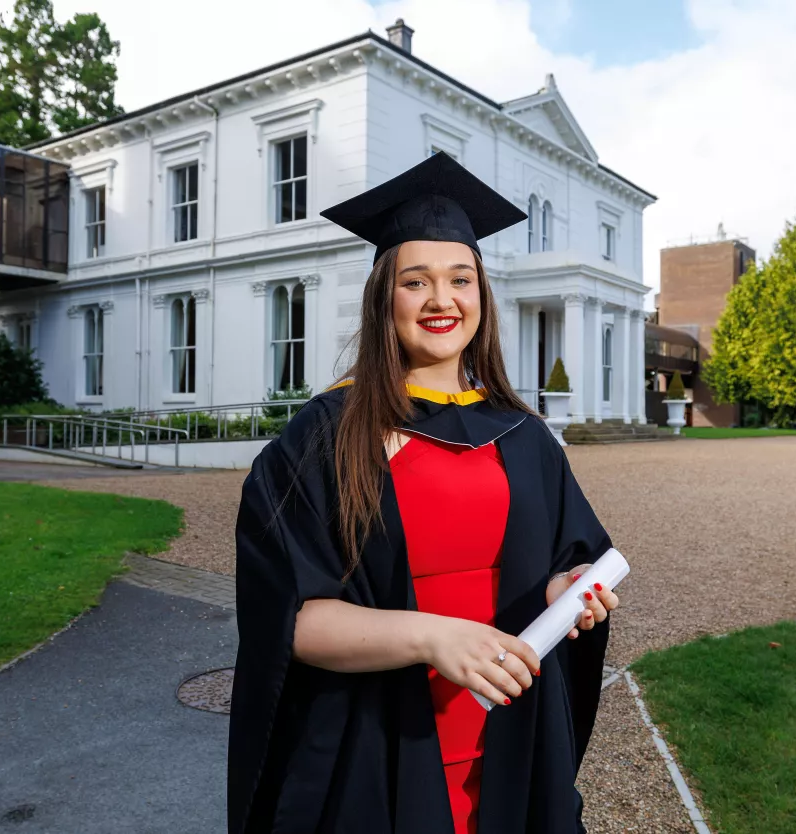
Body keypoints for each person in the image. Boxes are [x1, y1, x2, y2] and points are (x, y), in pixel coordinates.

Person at [229, 151, 622, 834]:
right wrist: (430, 637)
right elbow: (289, 622)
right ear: (386, 296)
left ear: (481, 296)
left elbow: (566, 556)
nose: (442, 299)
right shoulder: (327, 437)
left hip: (508, 743)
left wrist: (567, 586)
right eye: (417, 281)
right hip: (377, 754)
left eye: (460, 279)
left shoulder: (523, 438)